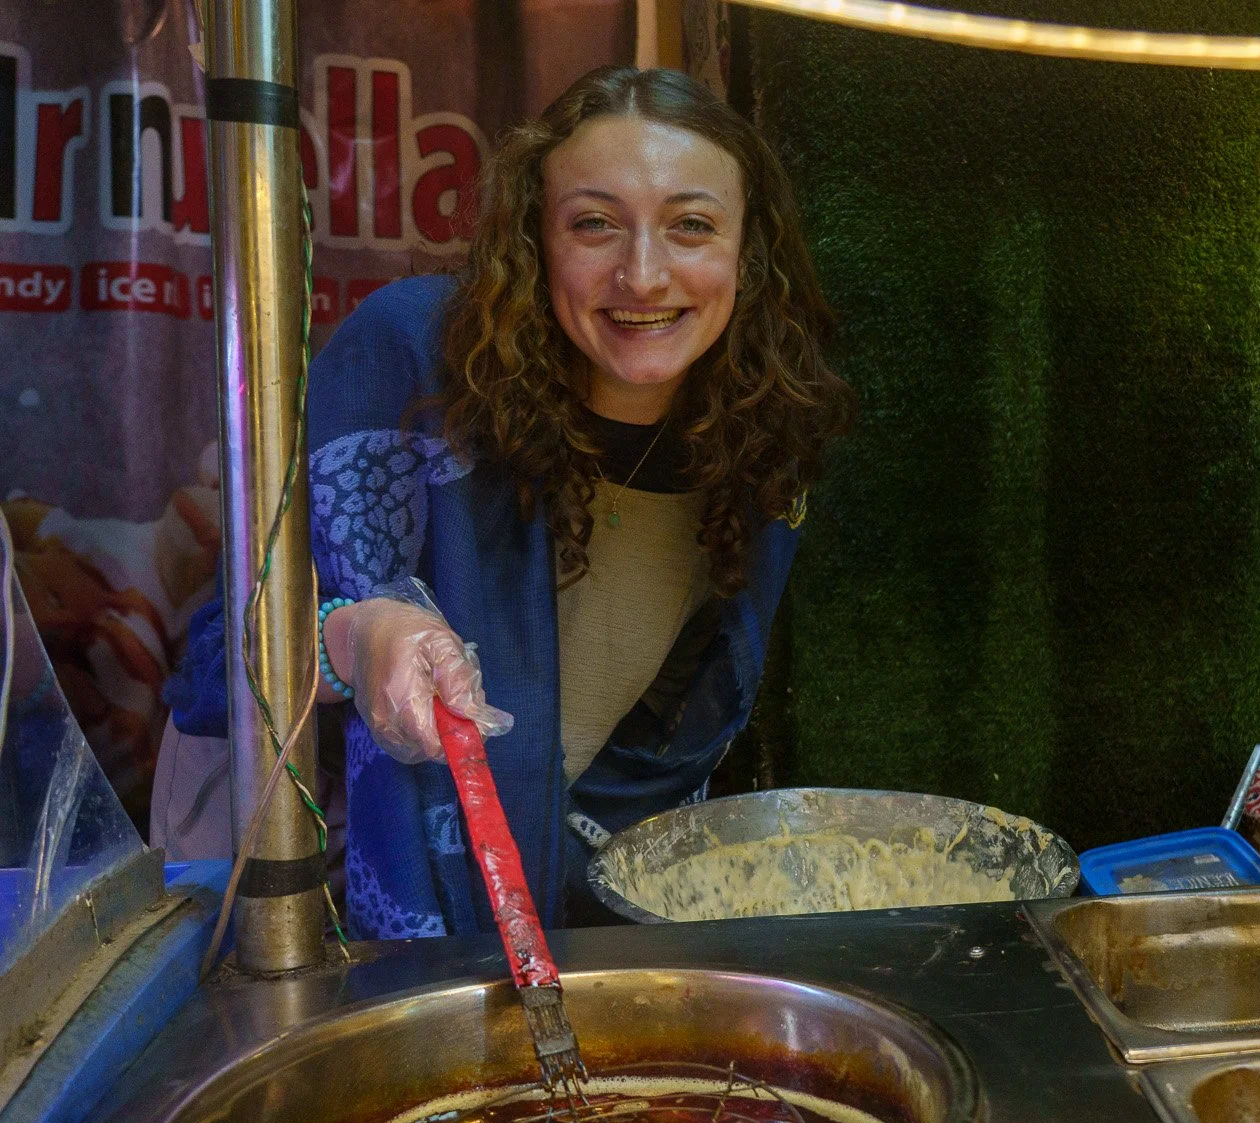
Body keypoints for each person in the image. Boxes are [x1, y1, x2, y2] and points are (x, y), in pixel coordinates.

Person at [157, 67, 853, 939]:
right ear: (534, 238)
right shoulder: (409, 363)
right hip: (284, 865)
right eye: (594, 224)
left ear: (746, 252)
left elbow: (655, 754)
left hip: (555, 913)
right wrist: (352, 639)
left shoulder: (760, 441)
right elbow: (218, 663)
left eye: (691, 226)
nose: (643, 273)